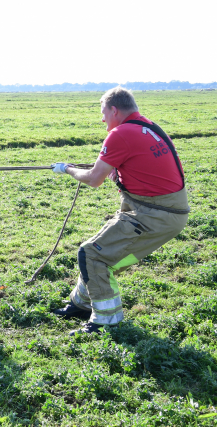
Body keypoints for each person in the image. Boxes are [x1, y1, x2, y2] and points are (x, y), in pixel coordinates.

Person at [50, 87, 189, 335]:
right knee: (96, 252)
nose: (102, 119)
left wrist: (67, 169)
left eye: (103, 112)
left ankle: (106, 321)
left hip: (154, 214)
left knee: (93, 255)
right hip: (165, 211)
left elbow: (94, 178)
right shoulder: (147, 127)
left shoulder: (121, 134)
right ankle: (80, 304)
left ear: (114, 110)